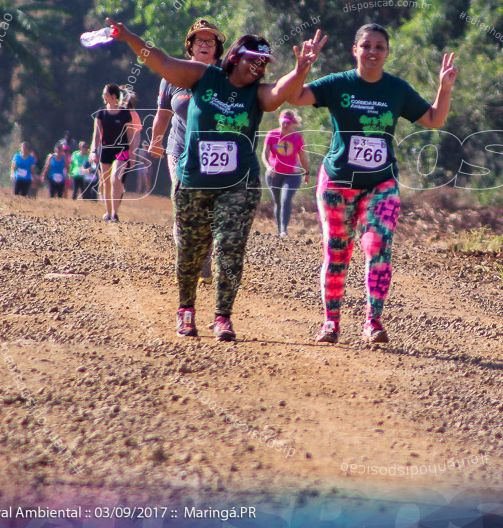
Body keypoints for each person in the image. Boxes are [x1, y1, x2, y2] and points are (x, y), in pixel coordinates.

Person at [107, 18, 327, 342]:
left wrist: (302, 68)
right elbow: (162, 63)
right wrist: (128, 37)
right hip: (195, 180)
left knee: (229, 246)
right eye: (254, 60)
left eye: (264, 63)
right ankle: (186, 310)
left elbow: (283, 91)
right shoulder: (203, 76)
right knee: (190, 249)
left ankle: (223, 316)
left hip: (240, 182)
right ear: (236, 57)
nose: (259, 67)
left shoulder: (258, 94)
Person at [286, 23, 458, 344]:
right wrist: (302, 68)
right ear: (355, 50)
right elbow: (294, 97)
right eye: (366, 46)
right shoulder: (338, 84)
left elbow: (434, 119)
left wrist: (444, 88)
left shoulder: (397, 89)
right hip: (337, 182)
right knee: (338, 253)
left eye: (380, 46)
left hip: (381, 183)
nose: (373, 52)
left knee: (377, 246)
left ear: (388, 52)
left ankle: (373, 322)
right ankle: (331, 323)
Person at [148, 18, 227, 283]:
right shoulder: (173, 75)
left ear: (217, 48)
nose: (205, 45)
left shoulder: (227, 77)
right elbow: (163, 114)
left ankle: (206, 253)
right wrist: (155, 141)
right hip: (179, 147)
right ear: (190, 46)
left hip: (216, 152)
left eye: (210, 40)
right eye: (199, 40)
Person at [90, 83, 141, 221]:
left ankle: (115, 213)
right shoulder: (101, 113)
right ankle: (108, 212)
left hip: (122, 150)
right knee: (105, 181)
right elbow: (96, 134)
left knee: (115, 178)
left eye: (105, 94)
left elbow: (130, 134)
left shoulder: (125, 113)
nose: (103, 96)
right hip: (106, 149)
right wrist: (94, 151)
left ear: (113, 96)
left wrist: (132, 152)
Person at [262, 109, 310, 237]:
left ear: (292, 123)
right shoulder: (271, 135)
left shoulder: (297, 138)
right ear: (280, 121)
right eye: (283, 122)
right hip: (274, 174)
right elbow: (264, 154)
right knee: (277, 201)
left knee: (286, 199)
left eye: (288, 123)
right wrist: (268, 167)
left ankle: (284, 230)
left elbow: (302, 157)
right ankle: (279, 230)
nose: (285, 125)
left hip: (292, 174)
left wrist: (307, 172)